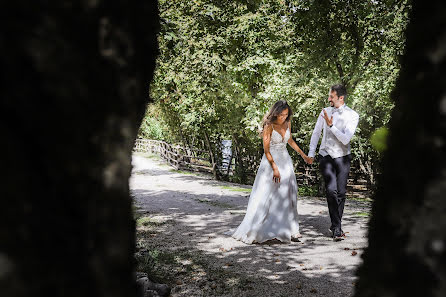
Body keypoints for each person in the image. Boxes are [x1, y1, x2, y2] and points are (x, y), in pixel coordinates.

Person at [230, 100, 311, 244]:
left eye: (286, 115)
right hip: (271, 162)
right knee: (269, 195)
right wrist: (274, 167)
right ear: (275, 113)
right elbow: (266, 150)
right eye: (281, 114)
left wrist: (303, 155)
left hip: (285, 161)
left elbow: (290, 140)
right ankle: (261, 228)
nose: (283, 117)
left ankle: (292, 229)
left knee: (288, 193)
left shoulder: (287, 123)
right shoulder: (269, 125)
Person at [307, 84, 359, 241]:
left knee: (341, 193)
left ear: (340, 98)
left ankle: (336, 224)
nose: (329, 99)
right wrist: (311, 154)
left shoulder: (352, 115)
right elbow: (316, 134)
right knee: (331, 191)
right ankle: (337, 228)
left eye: (332, 97)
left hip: (343, 157)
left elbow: (345, 139)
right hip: (326, 155)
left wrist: (331, 125)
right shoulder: (325, 112)